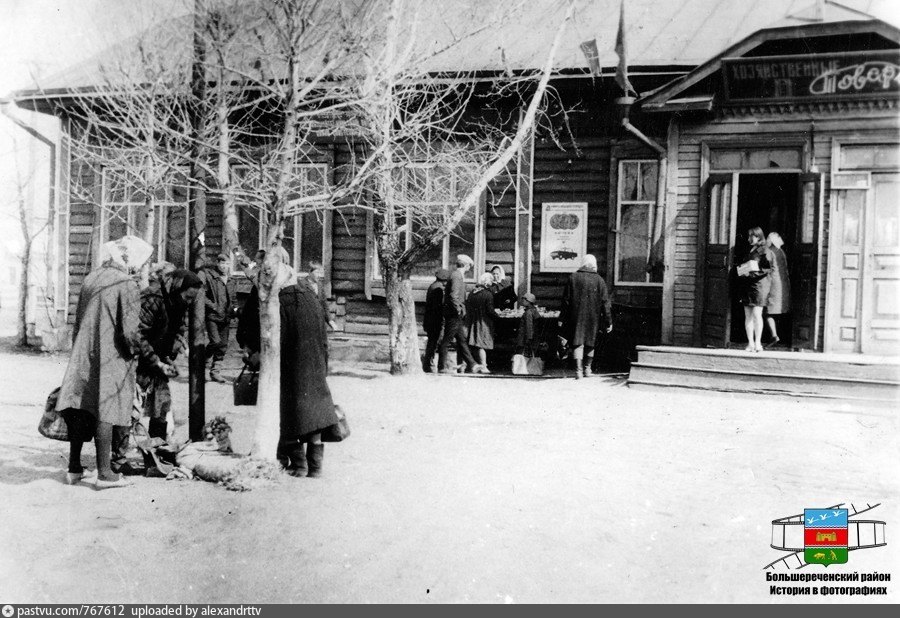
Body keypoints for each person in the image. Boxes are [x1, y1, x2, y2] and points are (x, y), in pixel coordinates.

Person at [55, 238, 148, 489]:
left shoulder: (91, 278)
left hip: (84, 351)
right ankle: (105, 473)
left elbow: (77, 321)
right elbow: (130, 332)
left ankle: (74, 468)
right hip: (111, 354)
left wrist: (79, 349)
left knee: (82, 407)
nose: (137, 269)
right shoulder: (126, 283)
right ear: (128, 261)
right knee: (105, 408)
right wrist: (139, 352)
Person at [134, 269, 203, 441]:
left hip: (157, 360)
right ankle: (118, 458)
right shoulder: (153, 299)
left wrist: (170, 354)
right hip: (136, 360)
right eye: (187, 297)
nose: (189, 302)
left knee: (162, 405)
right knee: (131, 409)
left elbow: (178, 329)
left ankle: (157, 451)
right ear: (178, 289)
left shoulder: (178, 303)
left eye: (192, 299)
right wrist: (156, 361)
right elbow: (138, 335)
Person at [560, 254, 612, 379]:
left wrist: (562, 318)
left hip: (576, 317)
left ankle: (578, 372)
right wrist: (608, 321)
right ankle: (587, 370)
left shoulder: (573, 277)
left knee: (577, 342)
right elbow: (606, 303)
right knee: (590, 342)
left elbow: (566, 301)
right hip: (593, 318)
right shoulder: (599, 280)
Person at [438, 254, 479, 374]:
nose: (469, 269)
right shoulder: (456, 276)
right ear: (465, 265)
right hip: (454, 314)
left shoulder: (457, 275)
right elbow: (453, 296)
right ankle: (442, 366)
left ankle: (472, 364)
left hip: (455, 314)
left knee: (462, 340)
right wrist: (459, 310)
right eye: (469, 266)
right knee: (447, 341)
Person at [738, 226, 774, 352]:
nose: (748, 239)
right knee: (747, 315)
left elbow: (767, 268)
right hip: (748, 285)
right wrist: (743, 270)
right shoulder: (750, 250)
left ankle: (758, 343)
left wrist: (752, 273)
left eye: (751, 236)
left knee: (757, 314)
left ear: (758, 236)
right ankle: (750, 343)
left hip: (759, 286)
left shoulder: (764, 250)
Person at [200, 253, 234, 383]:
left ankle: (215, 372)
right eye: (222, 263)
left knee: (223, 345)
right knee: (215, 341)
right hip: (212, 316)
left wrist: (234, 309)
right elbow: (202, 295)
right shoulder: (211, 278)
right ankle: (202, 366)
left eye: (227, 264)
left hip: (226, 317)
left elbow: (233, 298)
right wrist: (213, 306)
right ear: (217, 264)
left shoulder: (230, 280)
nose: (224, 266)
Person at [465, 272, 496, 374]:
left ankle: (473, 365)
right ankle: (483, 366)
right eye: (491, 281)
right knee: (481, 344)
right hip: (484, 322)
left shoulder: (472, 293)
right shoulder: (488, 294)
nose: (492, 284)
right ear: (487, 282)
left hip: (472, 321)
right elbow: (490, 311)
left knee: (474, 343)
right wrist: (498, 317)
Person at [764, 232, 791, 349]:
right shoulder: (781, 251)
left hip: (773, 283)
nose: (766, 241)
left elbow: (765, 267)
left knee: (767, 311)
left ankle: (774, 335)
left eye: (768, 239)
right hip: (783, 283)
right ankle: (784, 336)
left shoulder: (769, 252)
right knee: (780, 309)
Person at [422, 268, 449, 373]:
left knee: (431, 342)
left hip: (430, 320)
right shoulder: (438, 289)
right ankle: (428, 364)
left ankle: (428, 364)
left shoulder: (432, 286)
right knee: (433, 343)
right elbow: (438, 307)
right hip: (435, 321)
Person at [303, 260, 337, 330]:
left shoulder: (320, 286)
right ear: (310, 272)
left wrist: (330, 321)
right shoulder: (301, 285)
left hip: (319, 324)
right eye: (317, 272)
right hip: (305, 323)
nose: (319, 275)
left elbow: (324, 305)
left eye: (321, 273)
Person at [516, 292, 541, 358]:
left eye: (524, 299)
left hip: (524, 338)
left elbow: (529, 326)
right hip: (532, 337)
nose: (522, 301)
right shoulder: (534, 310)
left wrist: (529, 338)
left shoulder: (528, 312)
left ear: (528, 301)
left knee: (522, 355)